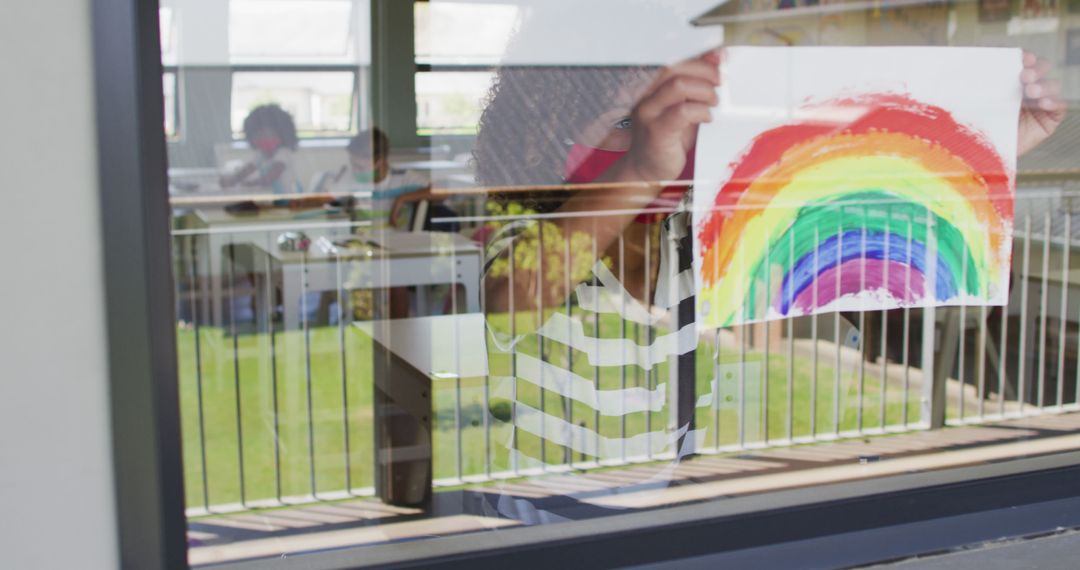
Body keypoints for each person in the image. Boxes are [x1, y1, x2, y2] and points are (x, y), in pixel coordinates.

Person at [472, 42, 1066, 479]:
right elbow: (513, 302)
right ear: (542, 140)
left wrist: (991, 145)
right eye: (631, 122)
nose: (668, 137)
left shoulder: (689, 235)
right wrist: (642, 168)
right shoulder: (525, 235)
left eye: (679, 115)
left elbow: (863, 206)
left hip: (670, 518)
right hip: (551, 531)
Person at [331, 128, 433, 227]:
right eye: (353, 164)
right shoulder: (350, 178)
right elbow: (326, 199)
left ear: (380, 162)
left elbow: (441, 191)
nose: (355, 171)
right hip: (360, 241)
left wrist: (402, 198)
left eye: (360, 167)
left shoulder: (404, 178)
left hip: (397, 241)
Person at [220, 104, 303, 194]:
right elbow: (249, 168)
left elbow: (270, 177)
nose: (264, 139)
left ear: (282, 134)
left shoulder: (283, 153)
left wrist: (251, 183)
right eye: (259, 136)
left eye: (268, 135)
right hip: (274, 197)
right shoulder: (261, 154)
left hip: (290, 198)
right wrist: (233, 179)